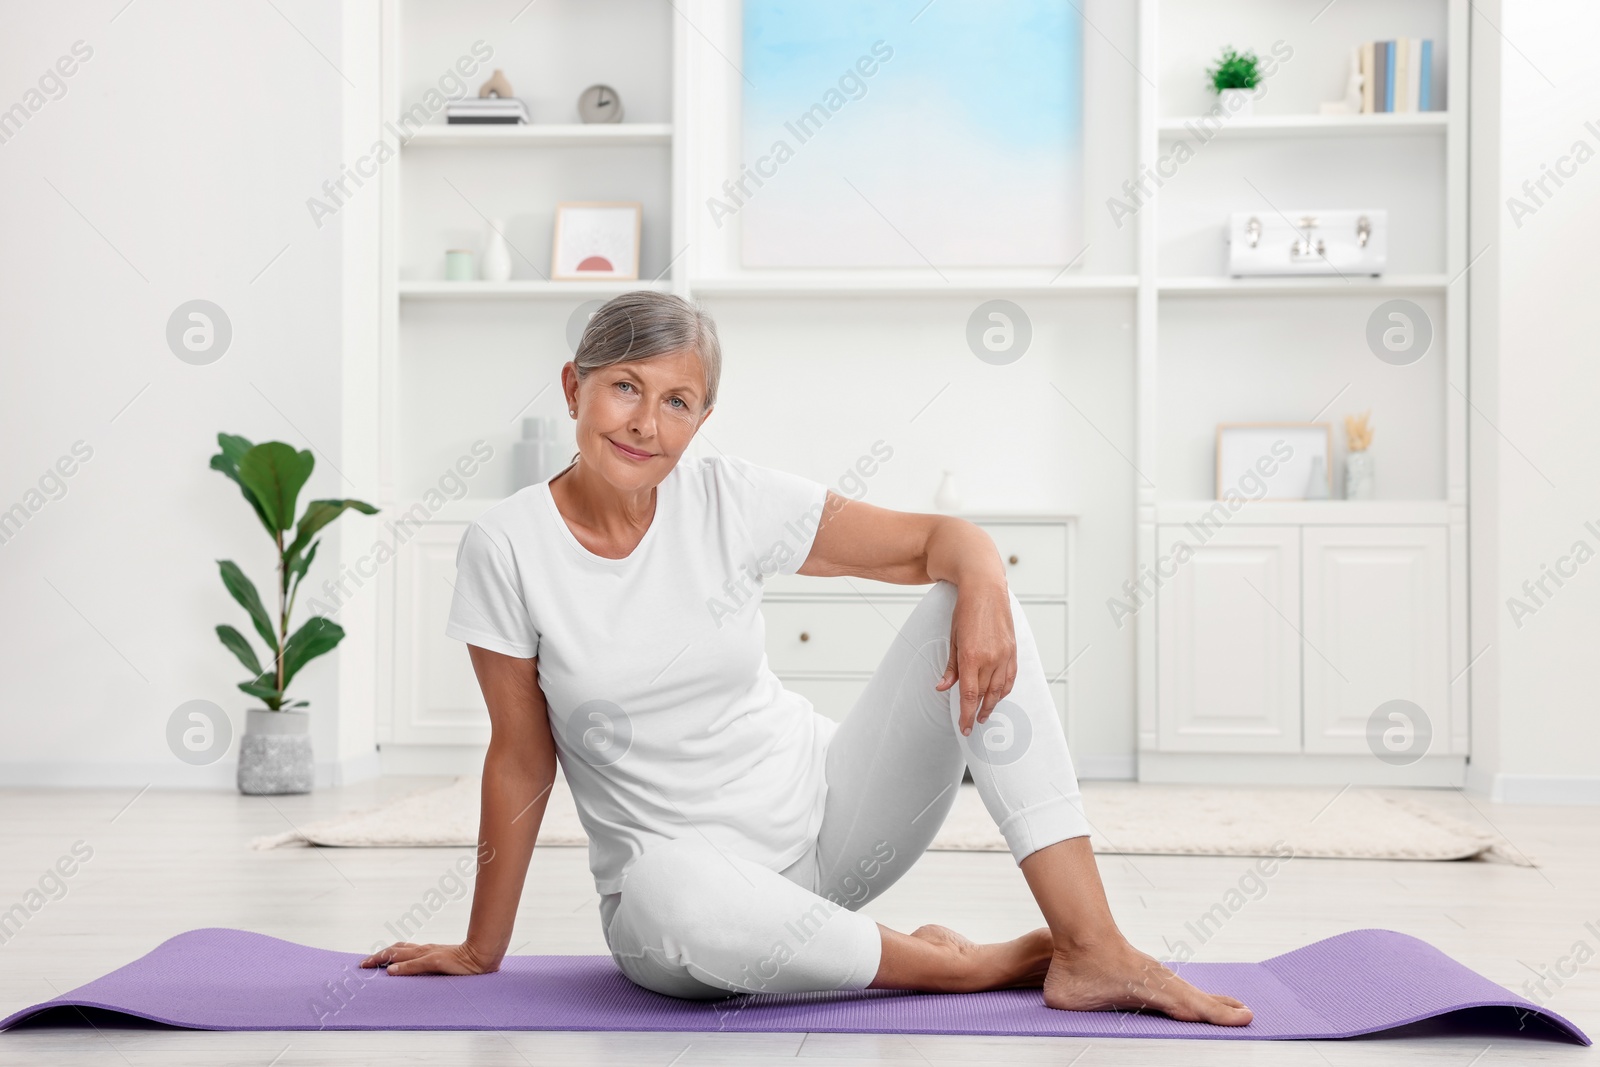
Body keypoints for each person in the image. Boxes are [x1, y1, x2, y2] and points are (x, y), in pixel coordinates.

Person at [361, 291, 1251, 1025]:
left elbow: (940, 543)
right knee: (666, 887)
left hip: (836, 828)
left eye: (676, 402)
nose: (645, 423)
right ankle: (961, 969)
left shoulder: (729, 498)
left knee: (974, 596)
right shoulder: (506, 544)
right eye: (624, 387)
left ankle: (1091, 942)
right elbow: (520, 755)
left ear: (702, 417)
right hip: (688, 908)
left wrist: (982, 569)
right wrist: (482, 948)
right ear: (574, 387)